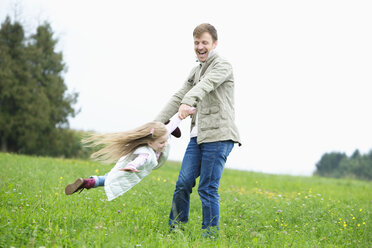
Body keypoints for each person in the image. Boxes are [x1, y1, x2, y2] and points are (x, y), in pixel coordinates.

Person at [154, 23, 241, 235]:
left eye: (204, 42)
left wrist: (188, 101)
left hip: (219, 135)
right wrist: (156, 124)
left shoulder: (223, 66)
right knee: (183, 183)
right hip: (197, 137)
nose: (200, 47)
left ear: (215, 44)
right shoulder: (196, 70)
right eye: (196, 43)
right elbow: (178, 95)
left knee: (207, 187)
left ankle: (209, 236)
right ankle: (176, 230)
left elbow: (206, 85)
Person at [64, 113, 190, 201]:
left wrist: (185, 113)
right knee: (110, 180)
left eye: (166, 140)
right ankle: (87, 182)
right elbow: (139, 160)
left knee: (108, 177)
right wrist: (132, 166)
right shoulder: (146, 153)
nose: (164, 144)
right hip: (129, 168)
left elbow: (173, 124)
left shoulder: (160, 135)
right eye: (162, 143)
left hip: (134, 162)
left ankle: (88, 182)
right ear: (150, 143)